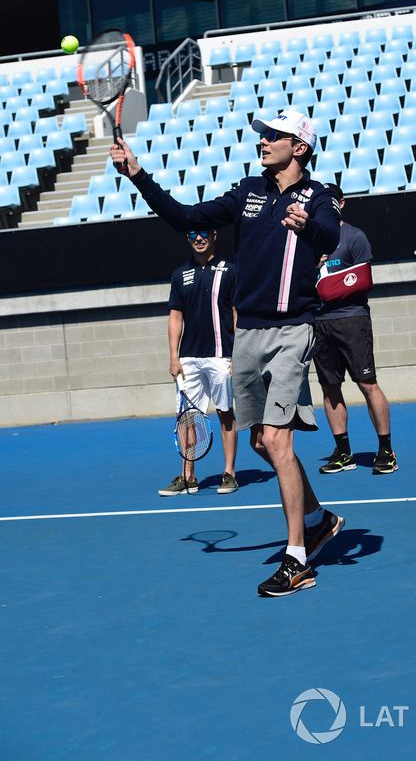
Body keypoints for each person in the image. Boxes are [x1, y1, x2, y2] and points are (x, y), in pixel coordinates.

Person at [110, 110, 343, 596]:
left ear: (298, 147)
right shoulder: (248, 193)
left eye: (273, 137)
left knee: (278, 442)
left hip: (291, 330)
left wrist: (309, 228)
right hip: (250, 336)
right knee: (261, 443)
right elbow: (185, 217)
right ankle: (318, 520)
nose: (263, 142)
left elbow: (330, 233)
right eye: (263, 136)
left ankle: (297, 558)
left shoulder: (317, 197)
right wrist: (137, 174)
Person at [313, 184, 398, 475]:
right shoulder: (307, 240)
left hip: (351, 320)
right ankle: (343, 452)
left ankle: (386, 449)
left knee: (367, 383)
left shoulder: (353, 236)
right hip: (319, 324)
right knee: (329, 387)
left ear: (341, 203)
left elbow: (362, 280)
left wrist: (326, 285)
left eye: (329, 201)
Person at [158, 227, 239, 496]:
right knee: (187, 418)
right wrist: (173, 356)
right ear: (187, 238)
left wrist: (237, 355)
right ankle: (187, 476)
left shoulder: (230, 270)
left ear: (215, 235)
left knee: (226, 413)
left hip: (221, 356)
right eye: (193, 233)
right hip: (188, 359)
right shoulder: (180, 274)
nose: (199, 238)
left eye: (204, 232)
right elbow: (175, 317)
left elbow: (238, 313)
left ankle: (229, 473)